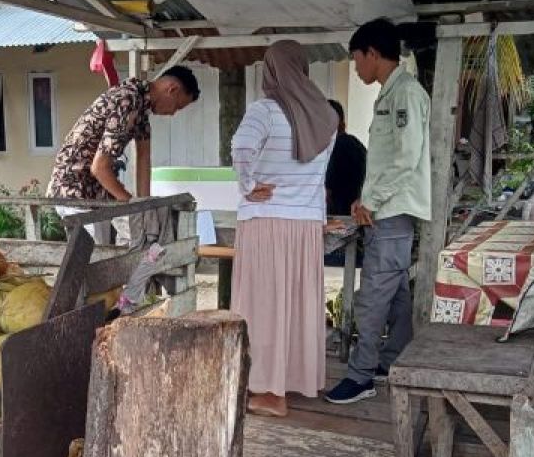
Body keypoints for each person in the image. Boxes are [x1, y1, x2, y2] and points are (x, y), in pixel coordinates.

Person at [325, 18, 431, 404]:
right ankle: (390, 361)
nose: (355, 68)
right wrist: (362, 199)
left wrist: (373, 200)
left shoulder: (405, 94)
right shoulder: (393, 93)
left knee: (372, 296)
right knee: (397, 294)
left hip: (392, 213)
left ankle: (361, 375)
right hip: (385, 210)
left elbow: (406, 158)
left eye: (356, 59)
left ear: (372, 53)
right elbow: (387, 162)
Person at [230, 40, 337, 418]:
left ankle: (270, 393)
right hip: (306, 224)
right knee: (295, 303)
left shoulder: (264, 111)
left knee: (262, 304)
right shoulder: (326, 115)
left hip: (267, 220)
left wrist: (247, 186)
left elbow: (240, 147)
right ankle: (293, 380)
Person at [48, 66, 200, 246]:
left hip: (96, 192)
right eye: (177, 106)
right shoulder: (127, 100)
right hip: (75, 188)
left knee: (108, 256)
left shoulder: (142, 107)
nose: (173, 113)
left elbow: (144, 158)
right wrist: (132, 206)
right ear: (172, 89)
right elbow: (99, 168)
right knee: (93, 262)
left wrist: (145, 206)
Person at [323, 98, 368, 267]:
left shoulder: (337, 146)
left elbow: (325, 194)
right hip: (359, 228)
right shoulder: (356, 144)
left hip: (340, 233)